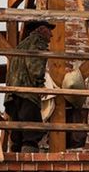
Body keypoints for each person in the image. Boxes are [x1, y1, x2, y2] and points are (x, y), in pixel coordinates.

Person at [4, 20, 55, 153]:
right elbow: (35, 65)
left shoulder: (21, 45)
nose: (51, 35)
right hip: (27, 89)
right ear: (42, 29)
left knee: (17, 126)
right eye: (50, 30)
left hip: (13, 91)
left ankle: (16, 152)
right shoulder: (37, 43)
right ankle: (29, 153)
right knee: (31, 125)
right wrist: (39, 85)